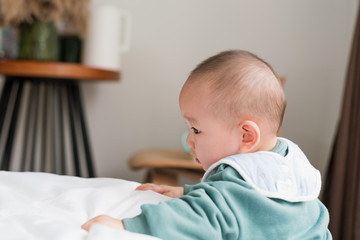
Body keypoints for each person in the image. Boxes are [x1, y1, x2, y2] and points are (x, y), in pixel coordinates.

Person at [82, 50, 332, 239]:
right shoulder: (287, 158)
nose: (189, 139)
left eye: (196, 129)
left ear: (246, 136)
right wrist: (186, 191)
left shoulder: (239, 179)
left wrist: (125, 226)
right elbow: (241, 204)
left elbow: (199, 218)